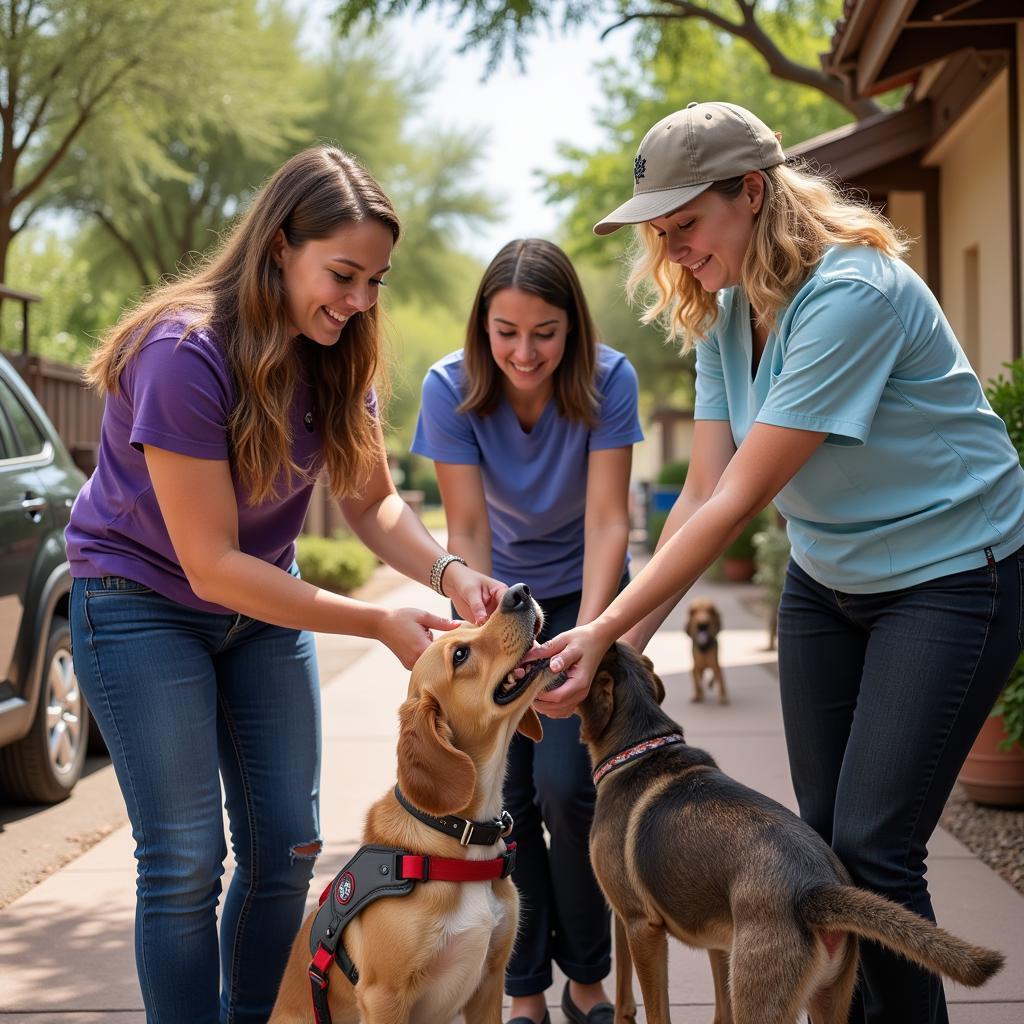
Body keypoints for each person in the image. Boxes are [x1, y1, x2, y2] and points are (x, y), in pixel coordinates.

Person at [532, 102, 1024, 1024]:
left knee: (874, 851)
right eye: (660, 233)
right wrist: (618, 648)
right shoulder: (725, 315)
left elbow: (738, 499)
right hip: (828, 578)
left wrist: (597, 628)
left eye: (686, 225)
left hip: (951, 577)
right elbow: (699, 491)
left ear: (752, 192)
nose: (673, 250)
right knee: (824, 852)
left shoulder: (852, 296)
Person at [66, 145, 504, 1024]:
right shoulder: (183, 353)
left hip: (260, 608)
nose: (359, 301)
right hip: (141, 606)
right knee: (187, 855)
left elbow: (373, 502)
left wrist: (448, 571)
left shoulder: (338, 351)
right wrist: (376, 623)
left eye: (375, 280)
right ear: (278, 247)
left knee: (287, 852)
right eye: (343, 274)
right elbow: (209, 562)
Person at [411, 238, 643, 1024]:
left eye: (544, 331)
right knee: (505, 797)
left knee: (570, 788)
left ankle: (586, 982)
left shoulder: (611, 381)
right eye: (506, 331)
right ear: (483, 326)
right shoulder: (449, 388)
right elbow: (466, 526)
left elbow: (610, 520)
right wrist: (486, 635)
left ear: (571, 326)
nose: (524, 351)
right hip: (500, 600)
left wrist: (598, 634)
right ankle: (522, 990)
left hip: (588, 594)